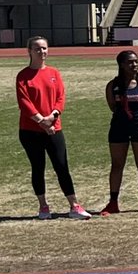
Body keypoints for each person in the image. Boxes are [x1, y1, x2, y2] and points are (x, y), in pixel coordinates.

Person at [17, 36, 90, 221]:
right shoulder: (23, 76)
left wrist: (53, 116)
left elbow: (61, 97)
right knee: (38, 167)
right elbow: (24, 103)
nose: (42, 52)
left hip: (54, 128)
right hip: (30, 131)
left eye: (44, 48)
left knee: (62, 166)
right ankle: (43, 206)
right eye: (37, 49)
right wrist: (41, 121)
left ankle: (74, 205)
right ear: (29, 52)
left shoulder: (54, 73)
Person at [100, 50, 138, 216]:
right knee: (117, 164)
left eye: (136, 62)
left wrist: (137, 118)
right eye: (130, 62)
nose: (134, 65)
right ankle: (113, 202)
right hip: (119, 126)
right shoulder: (113, 85)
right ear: (121, 65)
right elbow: (112, 106)